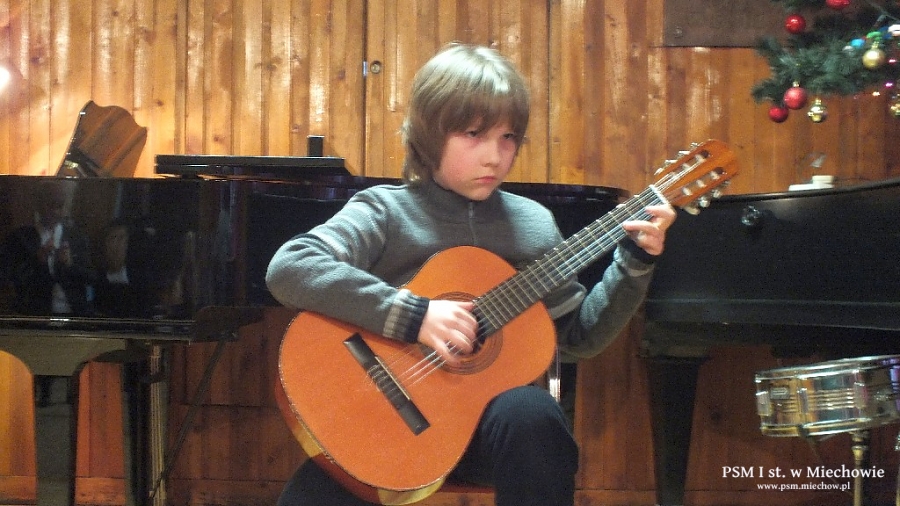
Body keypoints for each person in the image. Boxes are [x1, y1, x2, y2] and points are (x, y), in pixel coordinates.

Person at [265, 43, 676, 506]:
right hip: (380, 428)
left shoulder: (534, 225)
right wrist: (414, 316)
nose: (495, 156)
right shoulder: (385, 211)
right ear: (430, 133)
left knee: (533, 413)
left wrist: (635, 262)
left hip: (491, 436)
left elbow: (580, 337)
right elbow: (292, 266)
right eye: (474, 134)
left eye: (508, 137)